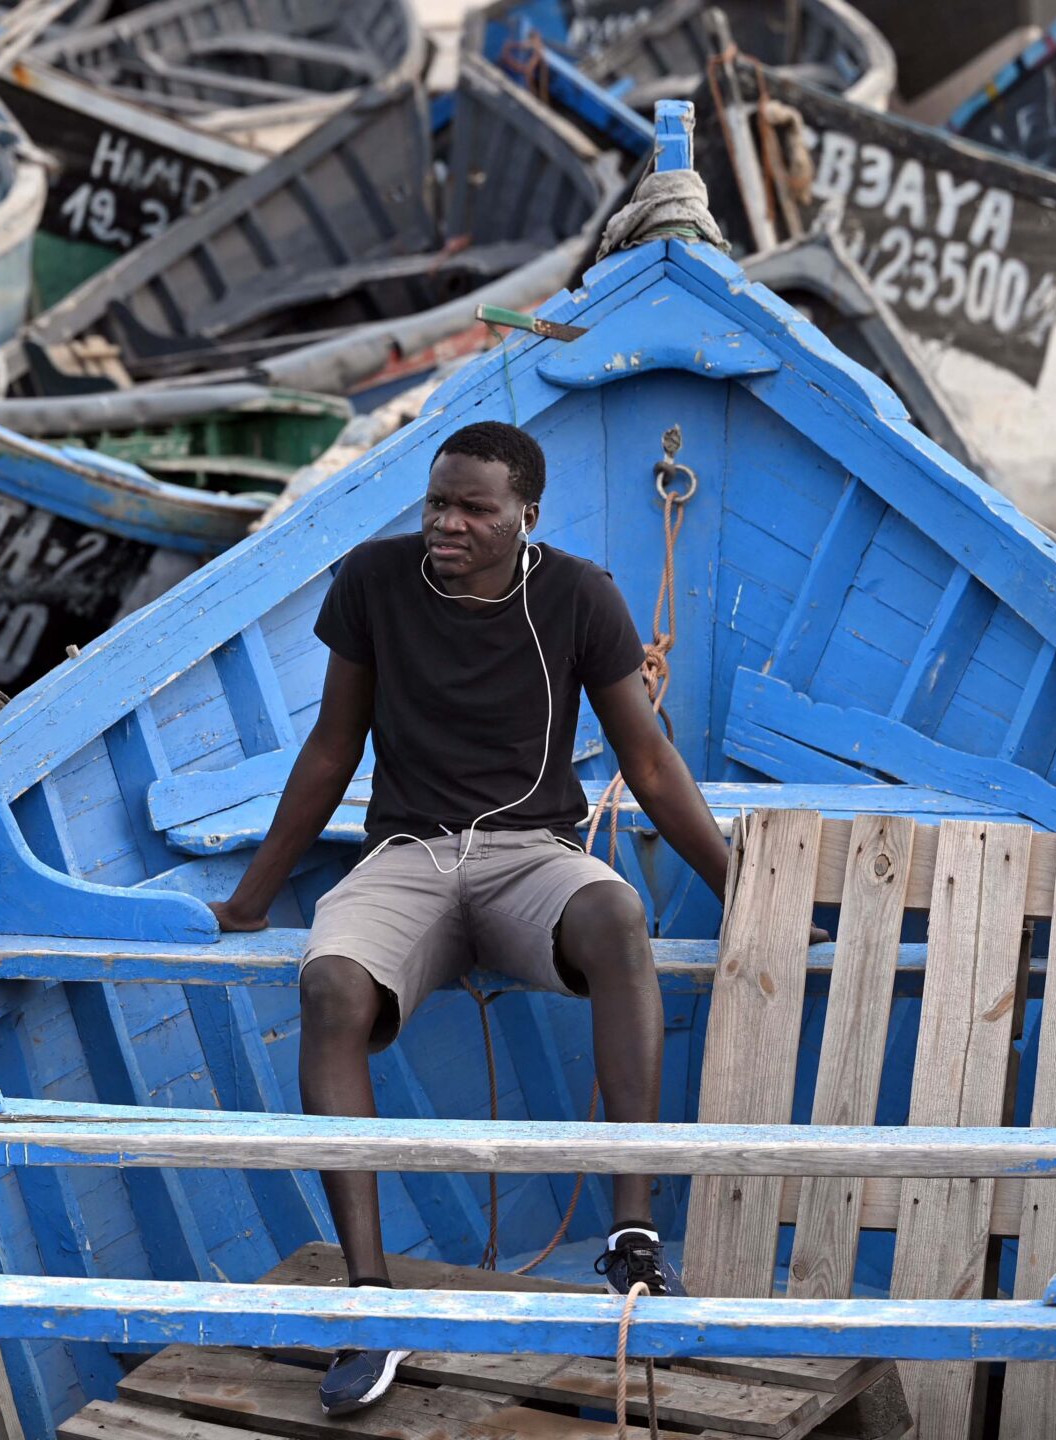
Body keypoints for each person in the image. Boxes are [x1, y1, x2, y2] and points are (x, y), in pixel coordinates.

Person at [208, 420, 735, 1417]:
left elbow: (650, 765)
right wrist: (249, 896)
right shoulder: (373, 581)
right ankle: (369, 1304)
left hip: (529, 856)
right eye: (436, 503)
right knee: (327, 985)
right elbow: (330, 748)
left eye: (472, 509)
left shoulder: (579, 597)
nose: (446, 524)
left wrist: (732, 881)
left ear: (525, 516)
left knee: (618, 919)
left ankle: (631, 1238)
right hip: (407, 855)